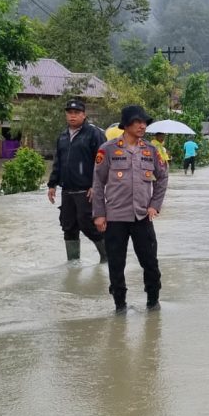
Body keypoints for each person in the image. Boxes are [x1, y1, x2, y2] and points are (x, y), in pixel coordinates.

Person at [93, 105, 169, 312]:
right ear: (126, 125)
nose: (143, 126)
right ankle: (120, 306)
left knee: (150, 263)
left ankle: (153, 303)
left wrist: (155, 205)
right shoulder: (107, 149)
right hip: (115, 217)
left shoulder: (151, 150)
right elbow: (98, 183)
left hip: (142, 217)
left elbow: (162, 178)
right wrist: (99, 214)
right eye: (138, 122)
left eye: (145, 122)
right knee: (116, 265)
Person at [47, 97, 107, 262]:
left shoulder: (95, 134)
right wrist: (52, 184)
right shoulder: (63, 136)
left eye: (77, 113)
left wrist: (97, 186)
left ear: (84, 114)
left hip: (87, 190)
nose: (72, 116)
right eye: (70, 113)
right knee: (68, 227)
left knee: (89, 225)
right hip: (67, 190)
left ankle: (107, 258)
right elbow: (58, 162)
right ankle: (73, 264)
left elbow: (102, 162)